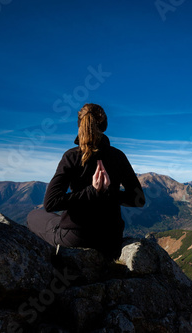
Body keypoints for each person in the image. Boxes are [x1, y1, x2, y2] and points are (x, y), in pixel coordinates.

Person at [27, 103, 145, 260]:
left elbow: (50, 203)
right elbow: (139, 200)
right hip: (111, 239)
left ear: (79, 124)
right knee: (53, 219)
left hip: (77, 236)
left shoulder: (71, 156)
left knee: (33, 215)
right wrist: (108, 192)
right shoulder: (118, 156)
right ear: (105, 125)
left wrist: (92, 192)